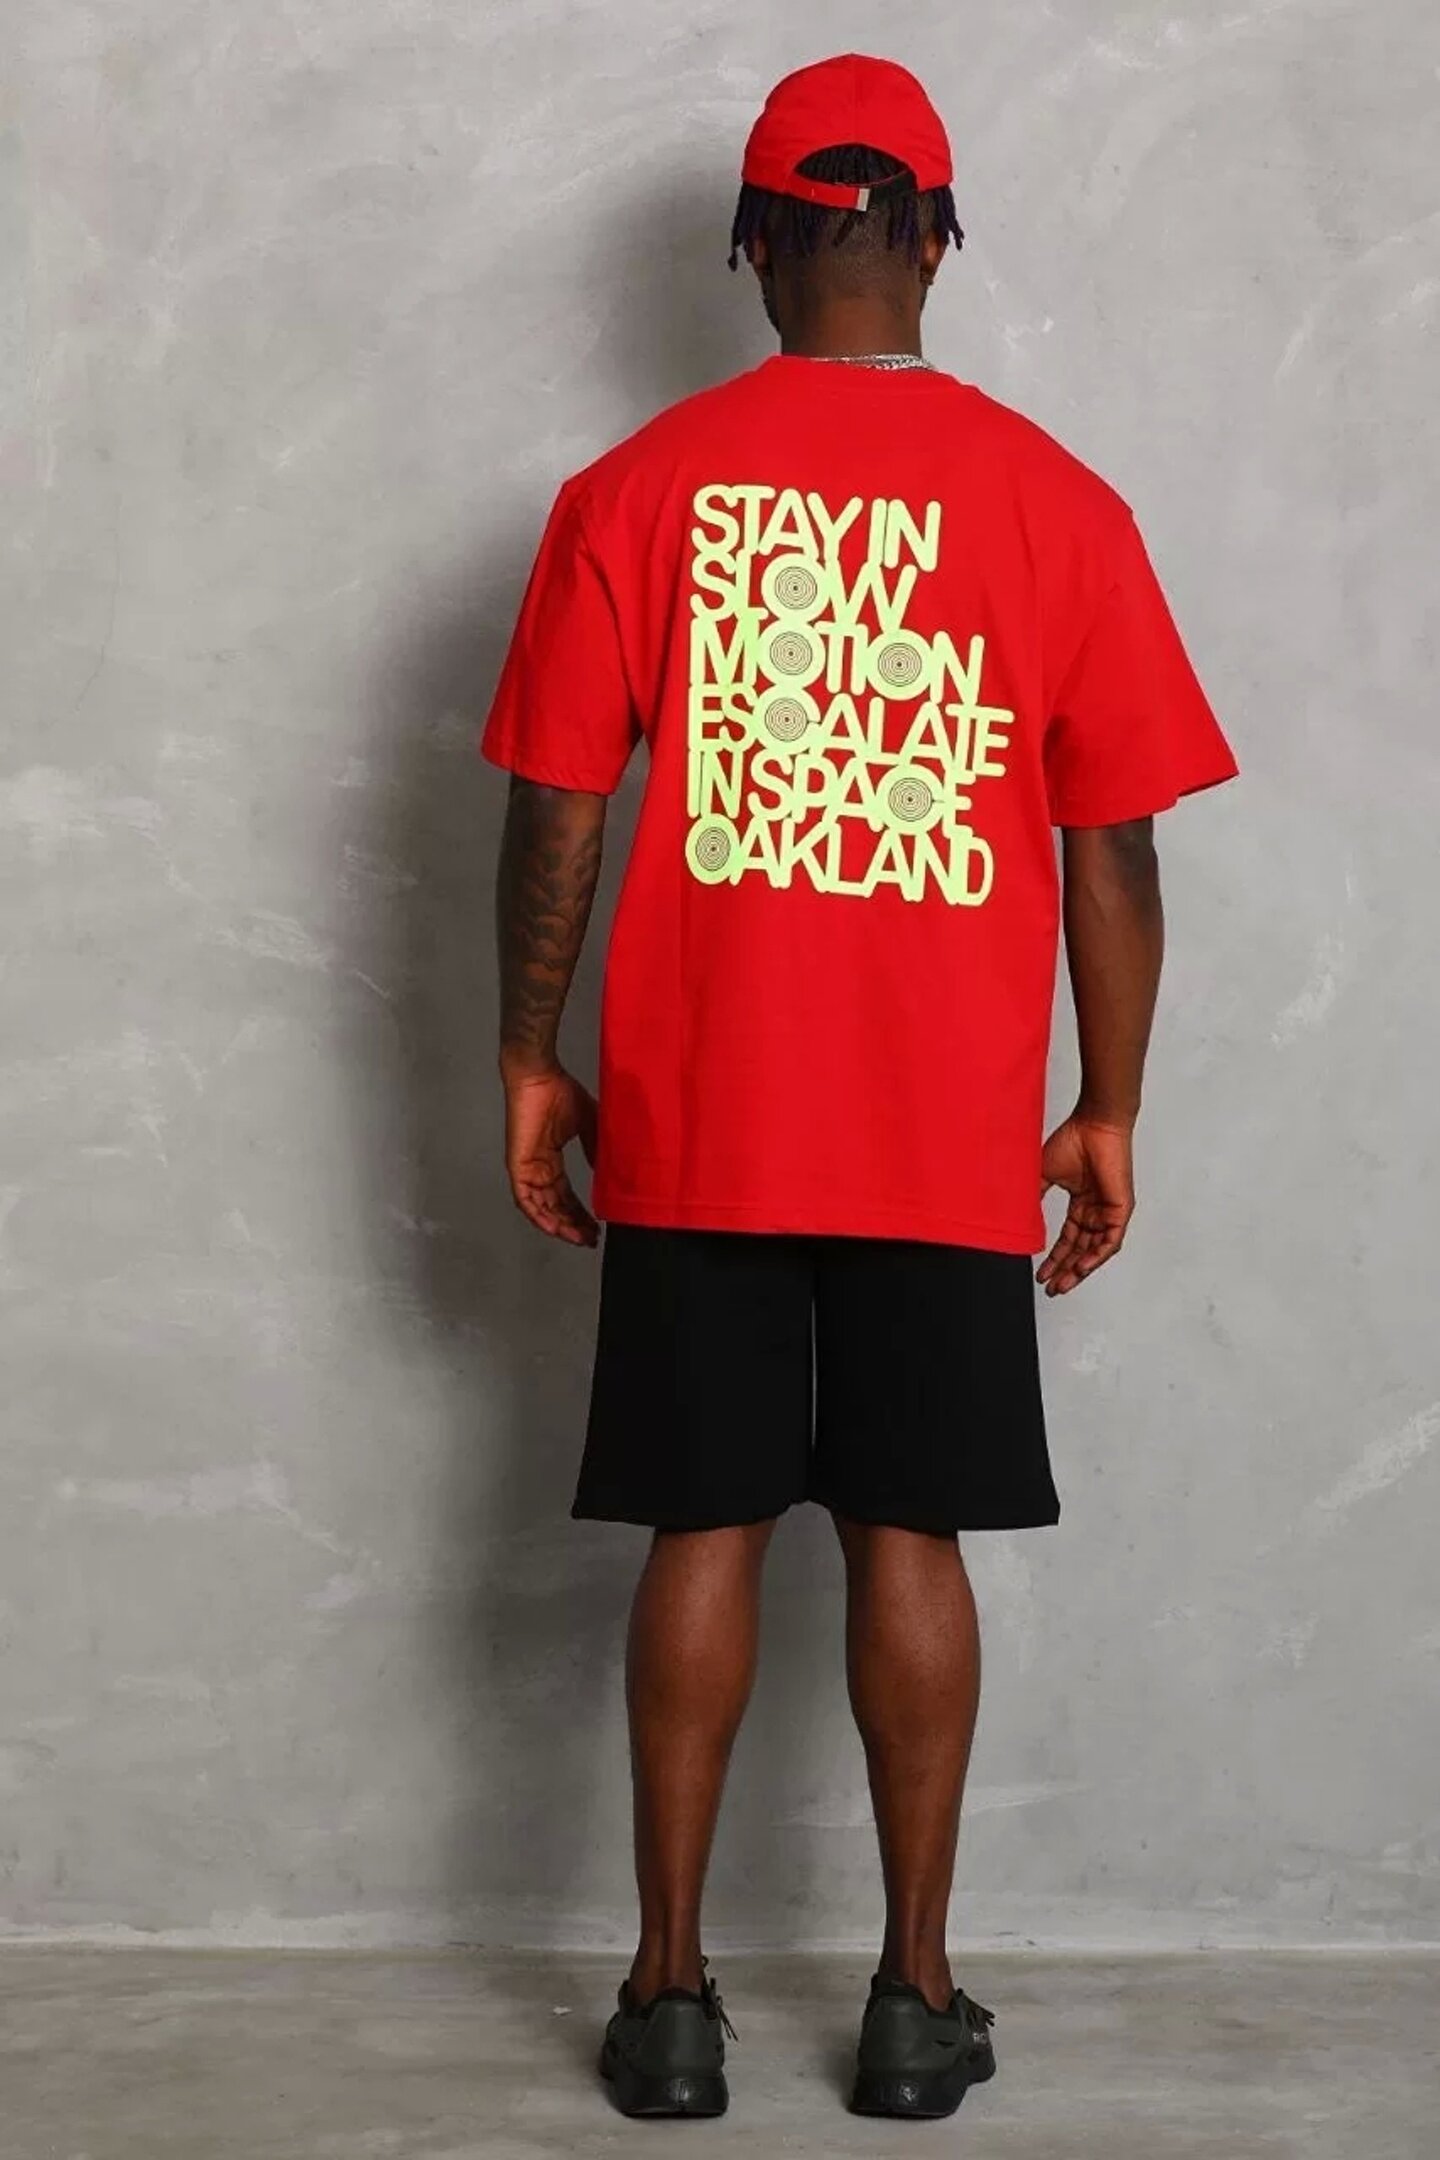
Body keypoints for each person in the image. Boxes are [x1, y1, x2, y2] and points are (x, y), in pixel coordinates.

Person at [482, 52, 1237, 2122]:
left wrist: (531, 1059)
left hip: (704, 1120)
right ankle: (914, 2001)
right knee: (913, 1531)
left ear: (754, 247)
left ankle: (666, 2003)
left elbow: (559, 805)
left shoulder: (635, 493)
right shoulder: (1057, 504)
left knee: (702, 1524)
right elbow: (1114, 846)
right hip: (941, 1126)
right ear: (935, 239)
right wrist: (1109, 1102)